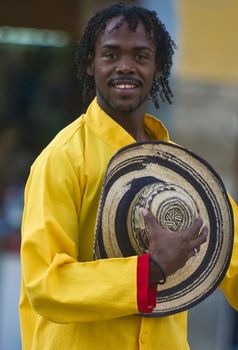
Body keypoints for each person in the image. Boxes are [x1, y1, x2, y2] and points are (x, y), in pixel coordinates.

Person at [19, 3, 238, 349]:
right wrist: (149, 270)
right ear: (91, 64)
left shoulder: (184, 172)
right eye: (110, 55)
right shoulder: (62, 158)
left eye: (140, 56)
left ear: (158, 67)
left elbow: (232, 254)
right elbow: (46, 285)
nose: (125, 67)